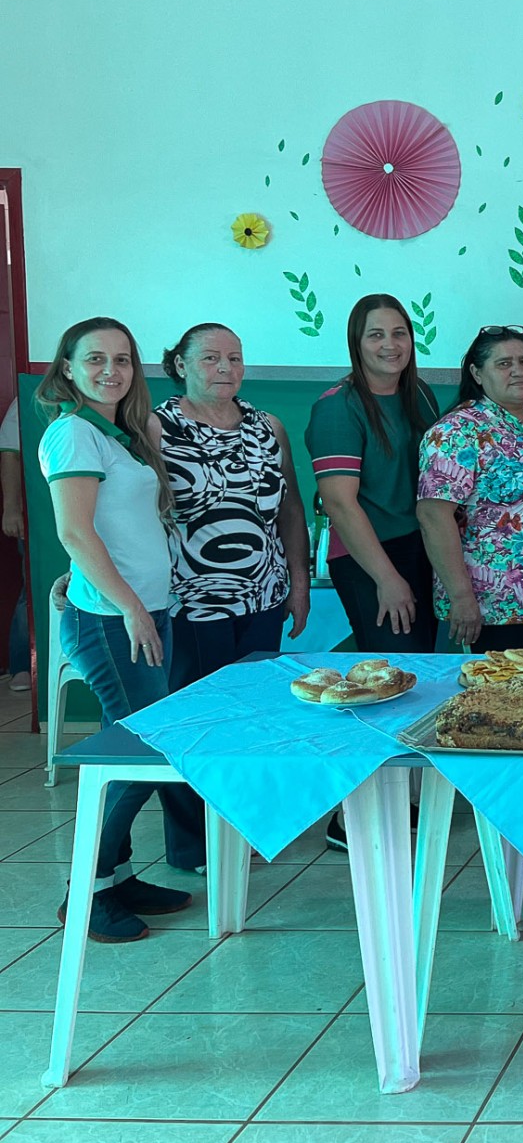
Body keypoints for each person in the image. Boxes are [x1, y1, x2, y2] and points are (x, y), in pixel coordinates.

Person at [37, 318, 197, 942]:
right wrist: (131, 607)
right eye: (95, 359)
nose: (111, 370)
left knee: (127, 750)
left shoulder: (117, 433)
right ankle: (85, 891)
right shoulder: (72, 433)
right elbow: (75, 532)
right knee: (142, 751)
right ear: (67, 368)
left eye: (123, 359)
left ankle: (117, 877)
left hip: (145, 611)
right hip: (112, 619)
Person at [155, 324, 310, 690]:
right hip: (190, 603)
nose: (225, 367)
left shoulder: (268, 427)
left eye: (234, 358)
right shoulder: (156, 428)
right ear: (181, 366)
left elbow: (290, 511)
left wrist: (299, 585)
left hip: (264, 599)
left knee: (257, 701)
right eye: (211, 358)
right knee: (201, 706)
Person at [417, 326, 523, 651]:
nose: (518, 370)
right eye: (504, 363)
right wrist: (461, 597)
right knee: (503, 684)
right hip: (495, 606)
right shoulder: (456, 431)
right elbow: (433, 517)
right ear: (477, 373)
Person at [306, 295, 441, 655]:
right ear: (357, 342)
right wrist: (387, 578)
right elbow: (339, 503)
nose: (390, 345)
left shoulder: (420, 394)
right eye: (376, 335)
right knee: (397, 667)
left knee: (427, 665)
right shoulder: (337, 407)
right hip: (368, 555)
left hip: (421, 546)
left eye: (399, 333)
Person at [2, 398, 30, 691]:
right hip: (36, 514)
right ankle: (22, 665)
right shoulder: (28, 397)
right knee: (31, 589)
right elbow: (10, 452)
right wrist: (11, 508)